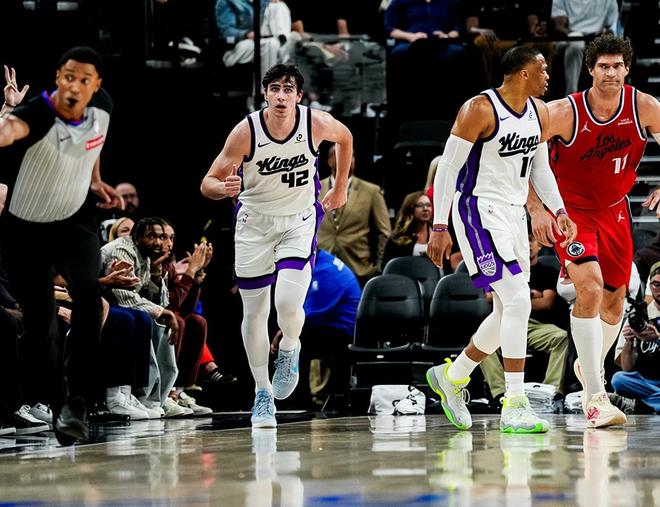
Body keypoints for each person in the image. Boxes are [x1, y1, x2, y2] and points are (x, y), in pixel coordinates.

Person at [425, 46, 576, 433]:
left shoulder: (539, 112)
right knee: (519, 300)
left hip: (513, 212)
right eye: (542, 70)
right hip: (477, 210)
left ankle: (453, 376)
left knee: (507, 310)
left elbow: (540, 168)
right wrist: (439, 226)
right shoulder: (479, 109)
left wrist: (558, 209)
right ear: (524, 73)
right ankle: (515, 402)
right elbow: (447, 169)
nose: (548, 77)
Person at [200, 63, 352, 428]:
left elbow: (346, 137)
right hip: (254, 225)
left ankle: (289, 347)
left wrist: (340, 186)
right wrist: (223, 188)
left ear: (298, 96)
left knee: (287, 303)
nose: (281, 96)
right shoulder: (246, 132)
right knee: (254, 313)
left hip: (298, 221)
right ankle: (262, 393)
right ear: (265, 94)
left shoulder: (315, 123)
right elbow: (207, 183)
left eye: (288, 89)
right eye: (275, 89)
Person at [528, 34, 660, 428]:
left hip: (615, 209)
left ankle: (590, 367)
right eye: (604, 66)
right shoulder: (563, 112)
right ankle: (594, 397)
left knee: (616, 299)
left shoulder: (644, 106)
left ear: (628, 68)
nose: (611, 72)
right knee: (589, 288)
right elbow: (523, 156)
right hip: (570, 213)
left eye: (618, 65)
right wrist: (536, 209)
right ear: (590, 69)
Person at [0, 47, 123, 445]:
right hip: (27, 228)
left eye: (84, 79)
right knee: (40, 325)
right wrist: (7, 113)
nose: (75, 85)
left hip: (74, 219)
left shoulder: (103, 106)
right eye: (69, 77)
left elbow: (93, 144)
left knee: (89, 296)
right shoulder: (37, 112)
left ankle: (77, 402)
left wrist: (95, 180)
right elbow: (7, 133)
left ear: (96, 85)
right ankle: (58, 403)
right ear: (58, 78)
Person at [479, 231, 569, 404]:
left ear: (540, 245)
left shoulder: (548, 271)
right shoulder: (503, 269)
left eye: (531, 240)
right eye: (523, 239)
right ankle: (500, 395)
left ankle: (550, 394)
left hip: (535, 325)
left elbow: (546, 303)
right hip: (505, 322)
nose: (527, 244)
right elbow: (490, 296)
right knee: (482, 342)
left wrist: (513, 297)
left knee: (561, 338)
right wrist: (532, 294)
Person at [317, 143, 391, 286]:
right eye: (341, 155)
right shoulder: (316, 189)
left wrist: (378, 266)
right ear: (329, 161)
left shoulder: (371, 191)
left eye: (351, 156)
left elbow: (384, 232)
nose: (348, 159)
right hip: (321, 265)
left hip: (358, 267)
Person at [609, 260, 660, 415]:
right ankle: (653, 402)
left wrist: (657, 338)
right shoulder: (637, 316)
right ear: (650, 286)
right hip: (646, 381)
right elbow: (627, 368)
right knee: (619, 379)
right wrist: (629, 341)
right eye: (656, 284)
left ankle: (641, 405)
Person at [551, 0, 619, 95]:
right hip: (569, 37)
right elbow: (559, 27)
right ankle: (571, 94)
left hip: (596, 38)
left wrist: (601, 40)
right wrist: (580, 38)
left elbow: (612, 29)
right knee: (576, 43)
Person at [383, 191, 433, 266]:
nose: (425, 209)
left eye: (428, 205)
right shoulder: (397, 238)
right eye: (420, 205)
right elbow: (389, 266)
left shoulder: (438, 233)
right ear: (410, 208)